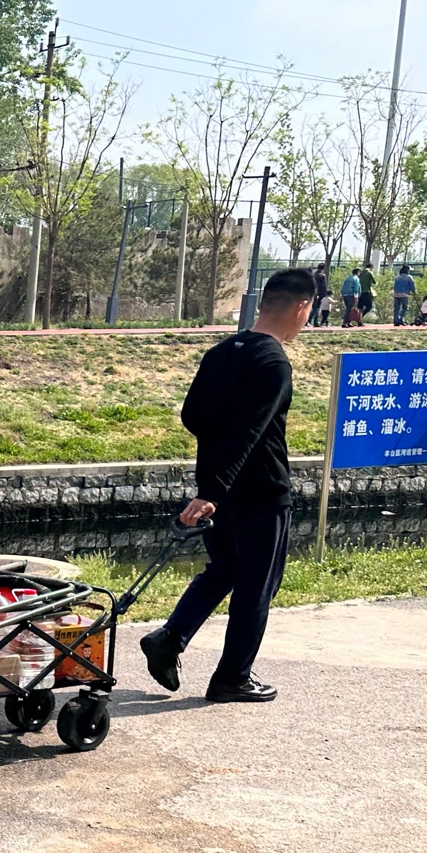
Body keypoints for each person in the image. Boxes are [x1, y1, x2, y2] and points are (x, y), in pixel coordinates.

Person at [139, 266, 312, 706]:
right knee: (257, 586)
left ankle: (169, 638)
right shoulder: (273, 362)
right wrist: (212, 491)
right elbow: (250, 432)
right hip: (262, 492)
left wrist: (212, 485)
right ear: (301, 306)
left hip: (219, 491)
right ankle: (233, 677)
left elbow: (193, 417)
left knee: (225, 570)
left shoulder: (220, 353)